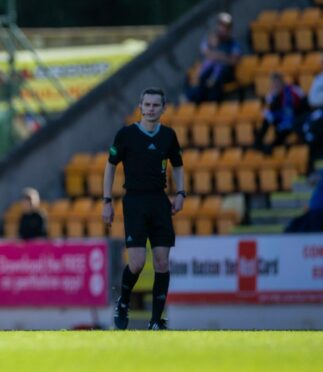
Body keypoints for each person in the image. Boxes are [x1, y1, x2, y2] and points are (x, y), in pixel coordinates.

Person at [103, 87, 185, 330]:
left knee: (162, 262)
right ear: (140, 106)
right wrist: (106, 201)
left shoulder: (168, 136)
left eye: (155, 105)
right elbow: (110, 166)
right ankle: (124, 302)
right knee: (137, 262)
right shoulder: (126, 135)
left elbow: (178, 165)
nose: (150, 109)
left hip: (159, 201)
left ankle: (156, 321)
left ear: (163, 108)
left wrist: (180, 193)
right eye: (146, 105)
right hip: (135, 202)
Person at [285, 145, 323, 232]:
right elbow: (311, 179)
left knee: (312, 219)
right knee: (296, 224)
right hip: (318, 210)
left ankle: (313, 242)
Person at [188, 12, 241, 103]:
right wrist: (220, 55)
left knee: (216, 79)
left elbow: (234, 61)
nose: (222, 29)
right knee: (202, 76)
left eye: (225, 27)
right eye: (220, 25)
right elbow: (206, 53)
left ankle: (212, 104)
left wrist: (219, 57)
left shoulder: (233, 43)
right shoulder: (211, 39)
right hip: (210, 70)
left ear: (229, 29)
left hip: (225, 74)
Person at [254, 72, 307, 153]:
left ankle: (273, 146)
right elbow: (271, 111)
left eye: (277, 82)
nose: (275, 85)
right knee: (268, 118)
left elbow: (303, 103)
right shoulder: (271, 96)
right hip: (280, 121)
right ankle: (258, 143)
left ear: (282, 81)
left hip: (294, 119)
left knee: (287, 127)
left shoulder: (293, 90)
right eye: (273, 83)